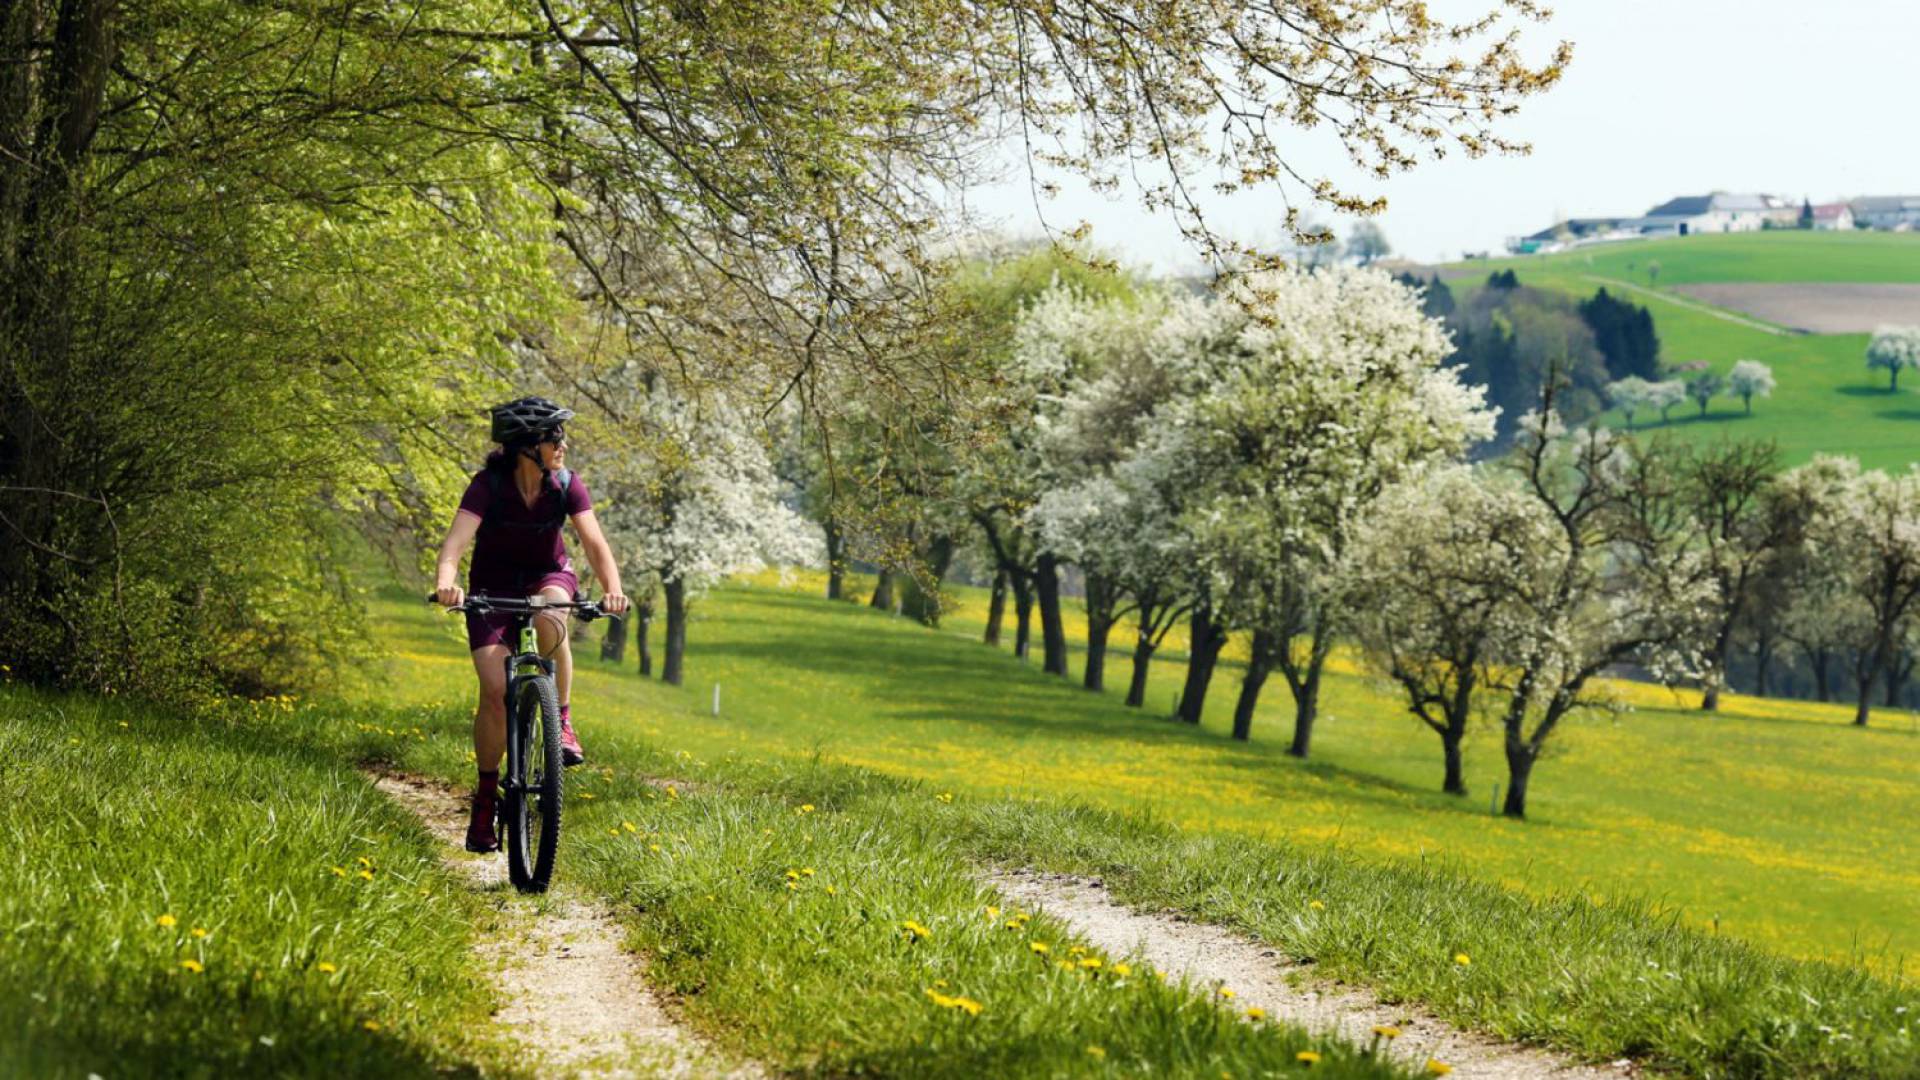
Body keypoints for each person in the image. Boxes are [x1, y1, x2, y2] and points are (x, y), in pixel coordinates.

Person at [433, 396, 630, 853]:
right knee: (494, 692)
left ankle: (560, 719)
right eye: (553, 437)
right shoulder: (487, 486)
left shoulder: (566, 484)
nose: (562, 444)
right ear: (526, 447)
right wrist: (447, 584)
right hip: (492, 586)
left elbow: (595, 543)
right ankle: (486, 798)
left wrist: (613, 588)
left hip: (548, 576)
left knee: (551, 611)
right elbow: (454, 546)